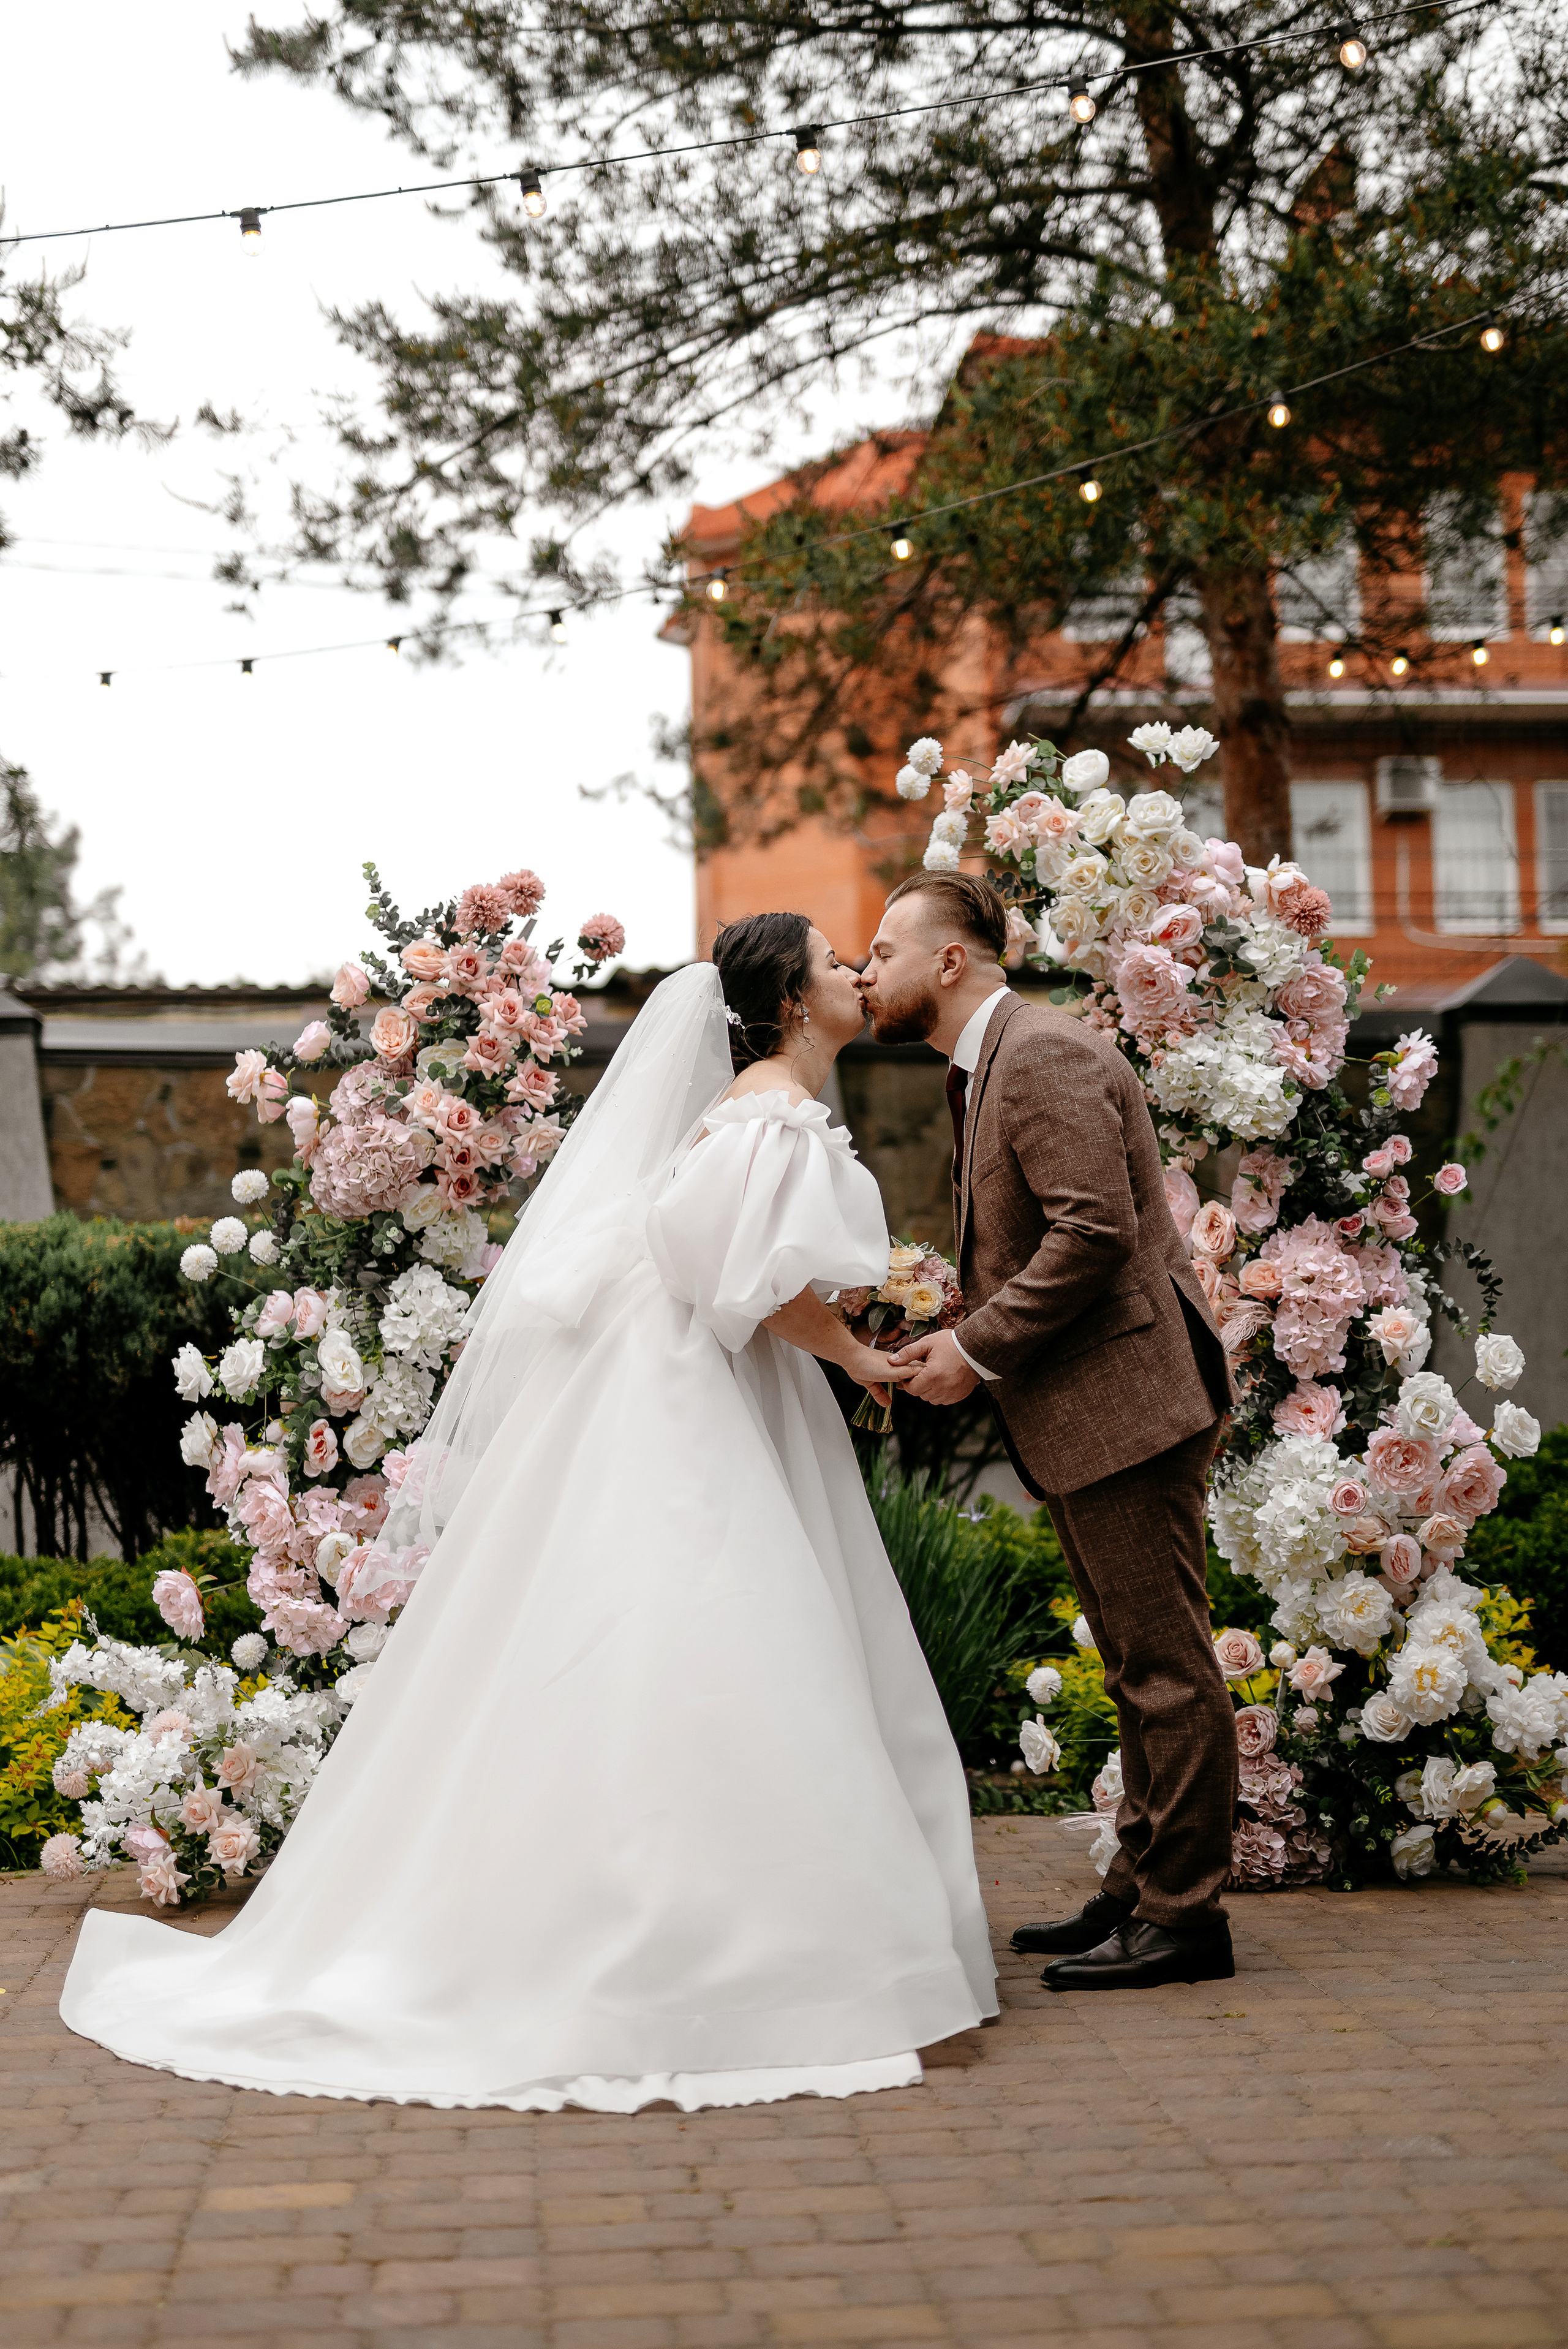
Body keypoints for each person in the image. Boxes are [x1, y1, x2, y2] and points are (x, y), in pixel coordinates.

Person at [59, 920, 997, 2111]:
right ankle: (719, 1955)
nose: (855, 974)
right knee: (723, 1639)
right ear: (785, 1003)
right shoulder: (768, 1112)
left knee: (693, 1647)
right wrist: (858, 1357)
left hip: (694, 1377)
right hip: (689, 1394)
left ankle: (704, 1931)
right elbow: (737, 1276)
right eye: (829, 963)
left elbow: (734, 1262)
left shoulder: (764, 1108)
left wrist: (840, 1322)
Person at [858, 871, 1239, 1992]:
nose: (865, 967)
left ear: (948, 960)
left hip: (1126, 1404)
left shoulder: (1043, 1053)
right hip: (1090, 1409)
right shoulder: (989, 1063)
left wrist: (974, 1350)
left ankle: (1186, 1918)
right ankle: (1136, 1890)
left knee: (1166, 1666)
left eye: (883, 949)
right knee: (1135, 1665)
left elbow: (1092, 1234)